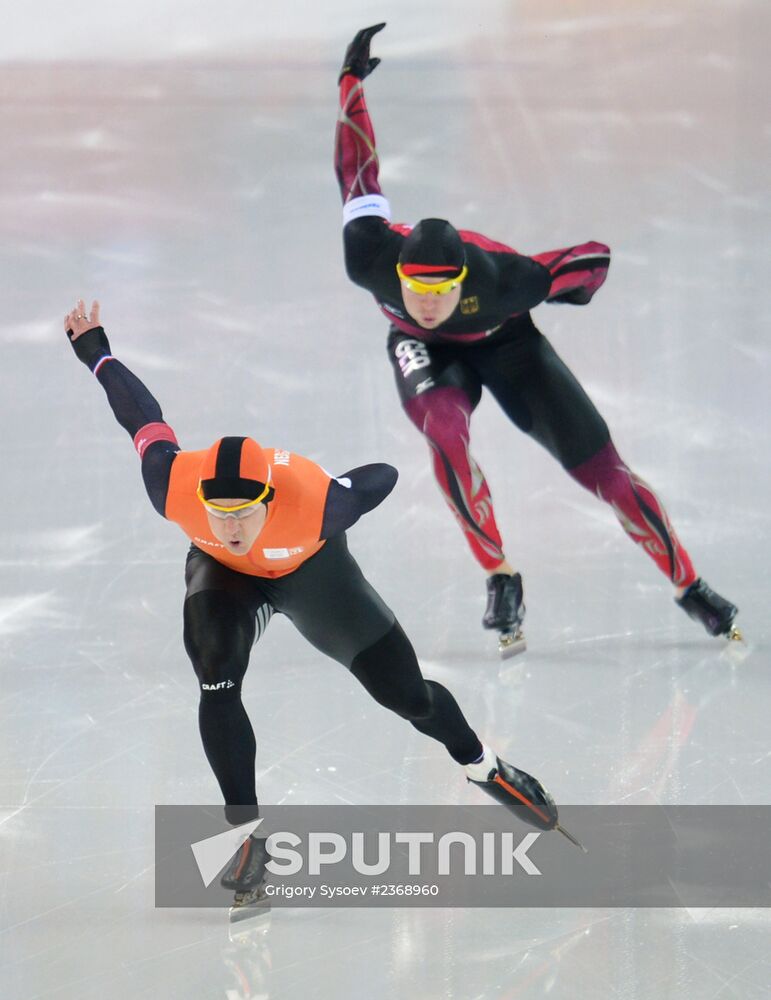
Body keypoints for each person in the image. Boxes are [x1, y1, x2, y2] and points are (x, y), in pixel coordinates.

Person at [64, 298, 566, 910]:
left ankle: (483, 766)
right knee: (216, 674)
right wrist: (99, 355)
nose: (232, 527)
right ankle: (247, 838)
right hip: (226, 580)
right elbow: (142, 419)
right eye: (219, 515)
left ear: (270, 500)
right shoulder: (173, 485)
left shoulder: (317, 501)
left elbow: (380, 475)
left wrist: (342, 488)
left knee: (407, 697)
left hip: (312, 571)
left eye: (244, 513)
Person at [334, 24, 740, 655]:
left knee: (608, 475)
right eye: (417, 292)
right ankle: (500, 575)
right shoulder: (369, 256)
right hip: (427, 357)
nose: (429, 303)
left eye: (442, 293)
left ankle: (689, 584)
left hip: (508, 343)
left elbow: (589, 258)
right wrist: (351, 84)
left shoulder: (506, 280)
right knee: (444, 432)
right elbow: (358, 172)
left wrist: (583, 282)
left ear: (464, 281)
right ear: (398, 275)